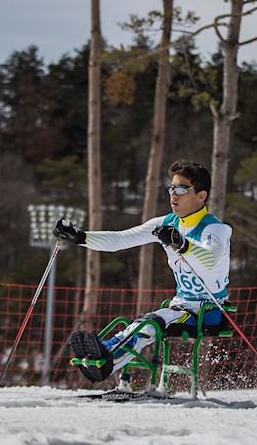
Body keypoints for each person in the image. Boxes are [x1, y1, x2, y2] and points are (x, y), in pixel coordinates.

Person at [53, 159, 231, 384]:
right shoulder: (167, 223)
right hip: (181, 305)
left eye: (181, 189)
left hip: (209, 309)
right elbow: (120, 239)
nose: (173, 195)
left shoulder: (214, 228)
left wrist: (183, 244)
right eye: (171, 188)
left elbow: (211, 258)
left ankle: (108, 357)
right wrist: (81, 237)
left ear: (201, 196)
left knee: (151, 322)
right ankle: (105, 355)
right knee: (149, 321)